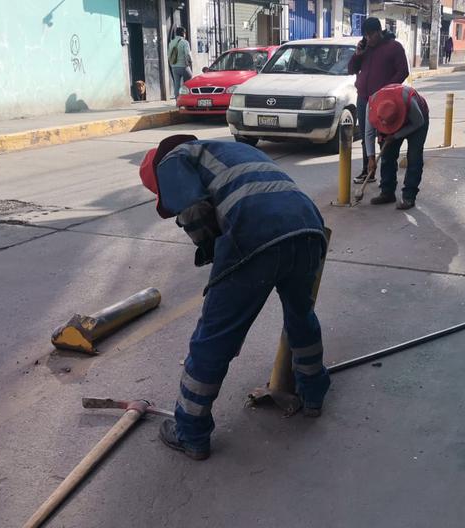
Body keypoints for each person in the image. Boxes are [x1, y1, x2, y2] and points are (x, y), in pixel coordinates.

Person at [138, 135, 331, 461]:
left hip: (256, 232)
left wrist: (219, 264)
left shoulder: (171, 160)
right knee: (301, 316)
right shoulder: (227, 149)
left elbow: (195, 212)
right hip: (309, 227)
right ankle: (313, 395)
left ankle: (190, 432)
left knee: (212, 339)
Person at [348, 17, 409, 185]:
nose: (368, 39)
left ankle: (387, 180)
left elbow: (403, 71)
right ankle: (368, 169)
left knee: (384, 137)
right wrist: (357, 55)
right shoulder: (365, 48)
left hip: (384, 101)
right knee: (366, 135)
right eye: (366, 36)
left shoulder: (394, 47)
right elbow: (351, 69)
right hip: (364, 98)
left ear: (379, 32)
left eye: (371, 35)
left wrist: (385, 91)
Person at [365, 83, 429, 210]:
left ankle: (409, 196)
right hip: (393, 119)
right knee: (387, 155)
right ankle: (387, 192)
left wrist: (396, 135)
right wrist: (371, 157)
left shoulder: (410, 103)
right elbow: (369, 133)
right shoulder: (372, 105)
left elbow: (418, 122)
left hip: (417, 122)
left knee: (414, 157)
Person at [168, 27, 193, 96]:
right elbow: (187, 54)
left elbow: (169, 55)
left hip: (174, 67)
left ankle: (177, 101)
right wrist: (190, 62)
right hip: (183, 66)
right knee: (190, 79)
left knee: (177, 84)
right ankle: (187, 97)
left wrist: (172, 64)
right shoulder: (185, 42)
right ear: (183, 33)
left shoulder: (171, 42)